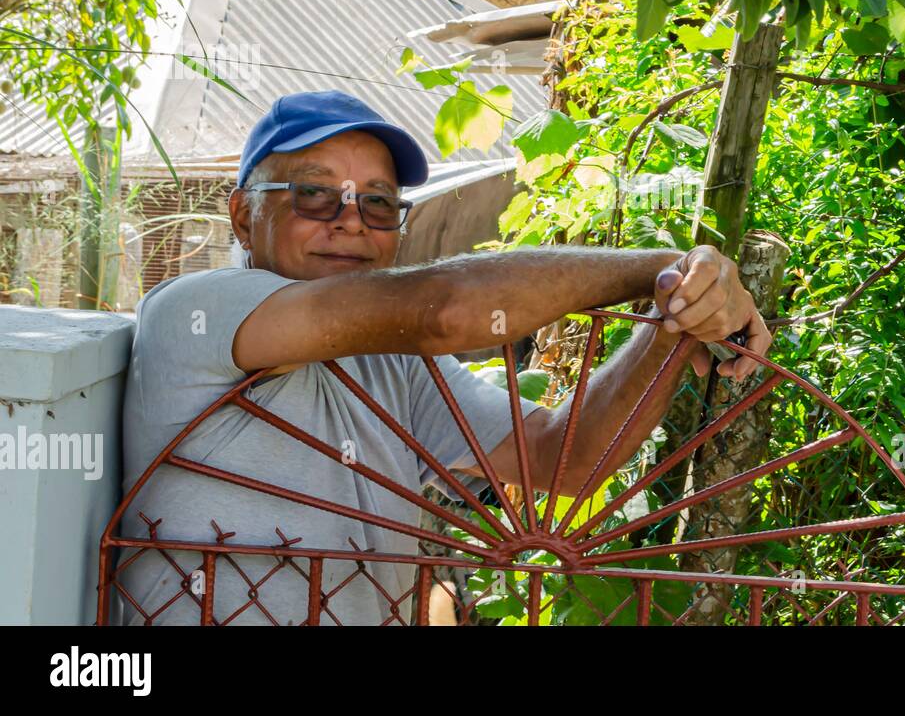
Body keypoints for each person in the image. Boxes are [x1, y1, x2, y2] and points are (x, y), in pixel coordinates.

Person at [112, 89, 770, 625]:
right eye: (314, 194)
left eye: (377, 202)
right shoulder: (195, 312)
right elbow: (447, 309)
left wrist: (677, 310)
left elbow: (566, 460)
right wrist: (659, 266)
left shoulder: (389, 362)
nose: (350, 220)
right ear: (240, 216)